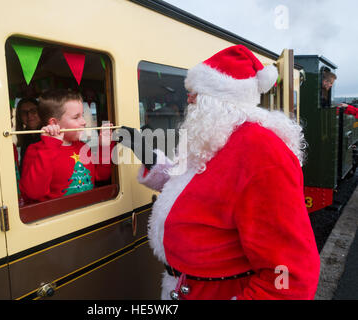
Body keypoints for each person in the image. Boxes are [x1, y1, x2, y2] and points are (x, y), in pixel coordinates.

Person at [119, 45, 320, 300]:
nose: (188, 99)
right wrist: (147, 154)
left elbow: (291, 276)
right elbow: (194, 190)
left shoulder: (263, 153)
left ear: (221, 97)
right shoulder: (217, 136)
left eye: (195, 92)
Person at [20, 89, 113, 202]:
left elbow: (102, 176)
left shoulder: (83, 147)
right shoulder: (36, 150)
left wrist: (105, 147)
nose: (83, 122)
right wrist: (50, 146)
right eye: (76, 117)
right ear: (54, 123)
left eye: (82, 115)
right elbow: (33, 193)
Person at [15, 98, 42, 172]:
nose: (29, 115)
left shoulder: (48, 134)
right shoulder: (25, 136)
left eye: (33, 111)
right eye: (24, 112)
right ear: (19, 117)